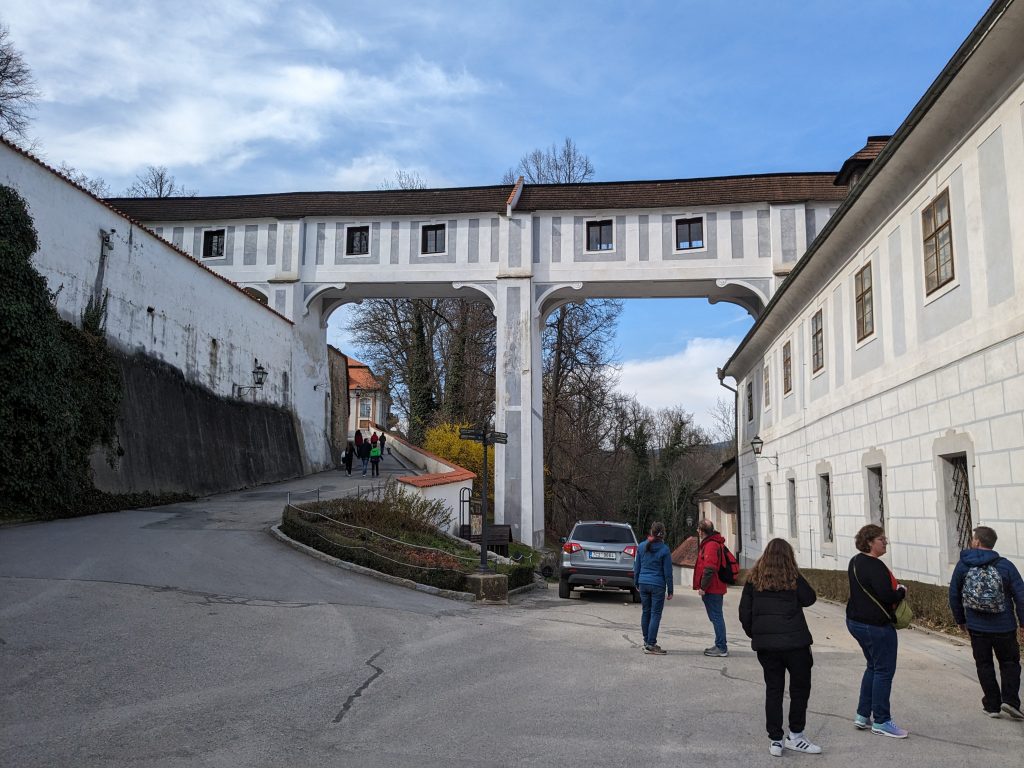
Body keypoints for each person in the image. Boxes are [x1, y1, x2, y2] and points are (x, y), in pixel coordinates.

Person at [740, 538, 821, 756]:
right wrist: (796, 574)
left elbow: (744, 613)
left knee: (774, 690)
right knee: (799, 689)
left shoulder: (753, 580)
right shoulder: (792, 577)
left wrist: (757, 634)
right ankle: (796, 735)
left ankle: (776, 739)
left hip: (767, 647)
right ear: (789, 557)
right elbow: (810, 599)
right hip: (796, 644)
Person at [948, 525, 1024, 720]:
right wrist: (1023, 623)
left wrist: (960, 620)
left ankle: (992, 706)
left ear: (977, 542)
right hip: (1004, 626)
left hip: (977, 627)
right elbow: (1021, 596)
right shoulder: (1005, 565)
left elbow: (954, 594)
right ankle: (1010, 701)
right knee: (1010, 663)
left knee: (984, 664)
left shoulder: (964, 565)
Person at [846, 524, 909, 738]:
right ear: (869, 542)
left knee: (873, 667)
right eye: (881, 539)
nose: (885, 542)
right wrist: (901, 591)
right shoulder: (876, 566)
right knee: (883, 671)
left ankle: (863, 715)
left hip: (855, 622)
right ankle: (881, 720)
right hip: (876, 626)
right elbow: (887, 596)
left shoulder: (855, 561)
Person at [633, 521, 674, 654]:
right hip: (658, 585)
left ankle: (646, 641)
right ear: (663, 534)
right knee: (655, 614)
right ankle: (651, 644)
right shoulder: (664, 549)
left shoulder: (641, 546)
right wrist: (670, 590)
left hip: (643, 583)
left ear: (651, 531)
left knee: (646, 612)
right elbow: (668, 572)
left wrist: (636, 582)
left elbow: (637, 567)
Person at [693, 519, 729, 657]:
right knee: (715, 617)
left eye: (698, 529)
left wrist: (703, 587)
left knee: (716, 617)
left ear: (702, 531)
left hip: (713, 588)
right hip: (714, 587)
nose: (697, 531)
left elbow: (709, 568)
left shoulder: (711, 545)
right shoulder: (713, 543)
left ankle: (721, 647)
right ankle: (720, 644)